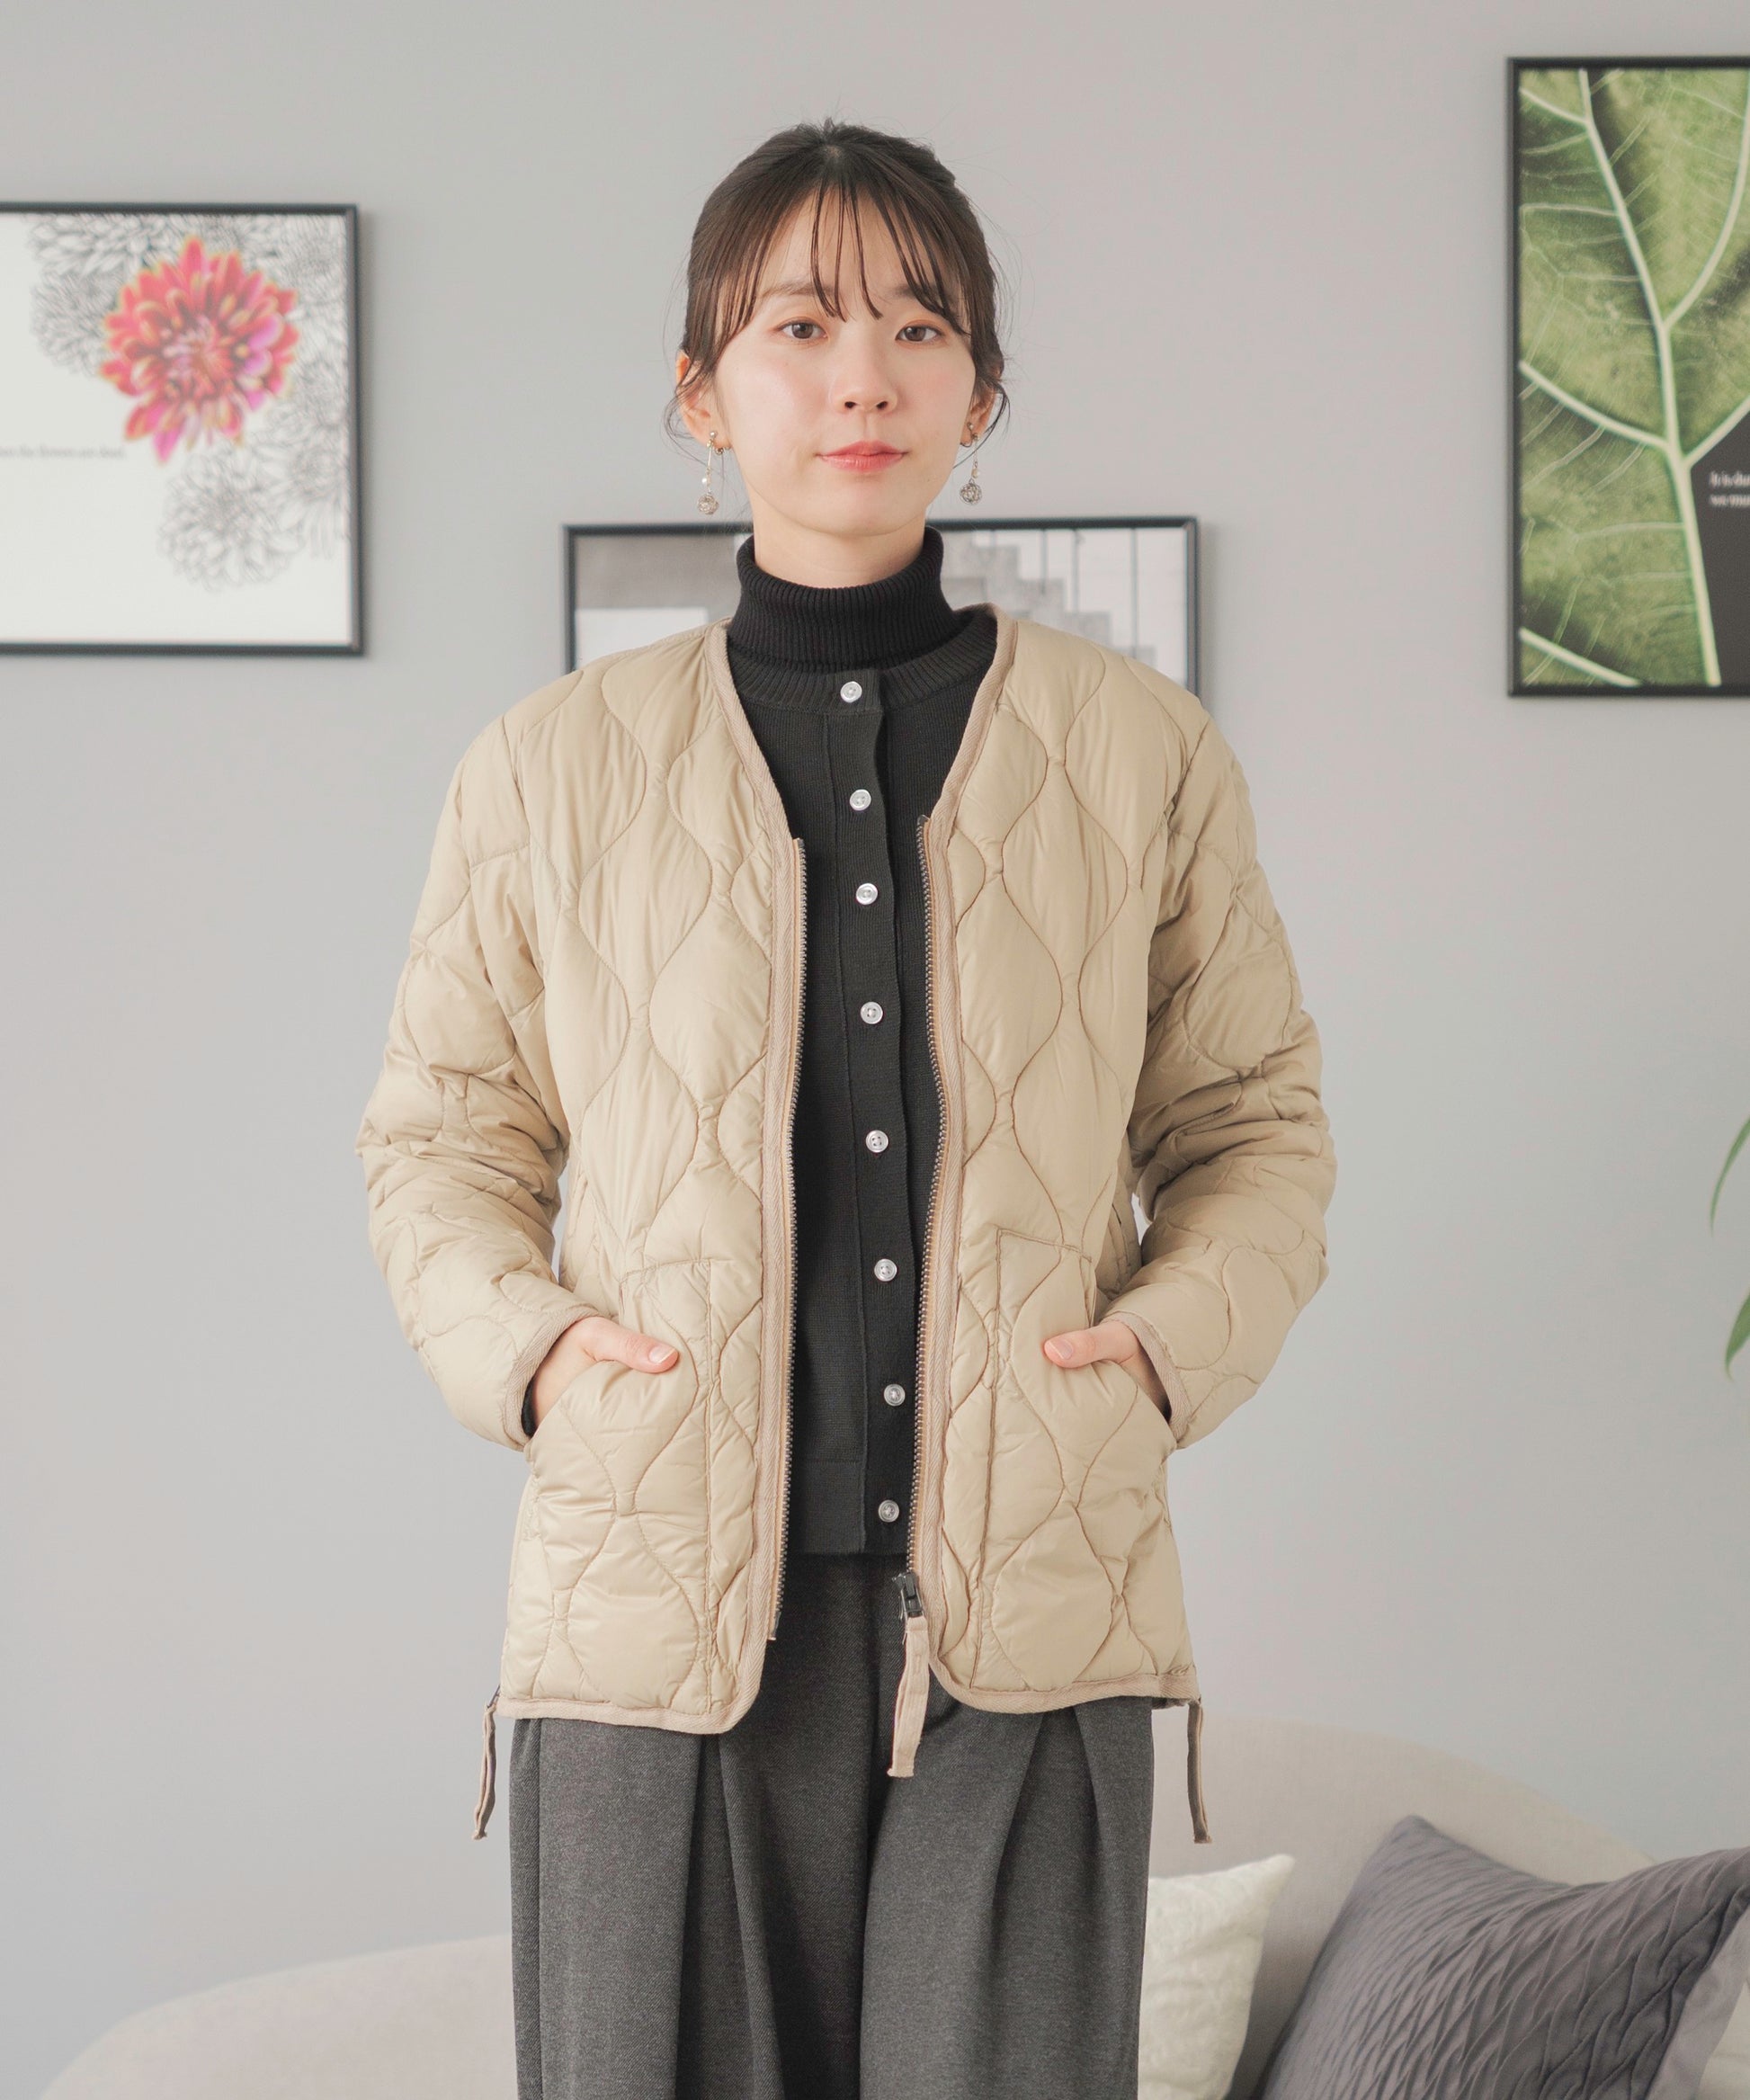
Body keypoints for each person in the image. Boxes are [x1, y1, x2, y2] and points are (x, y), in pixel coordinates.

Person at [355, 117, 1335, 2100]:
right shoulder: (548, 767)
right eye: (797, 325)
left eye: (917, 324)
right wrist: (534, 1357)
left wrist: (1158, 1355)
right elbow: (441, 1142)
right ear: (701, 392)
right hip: (653, 1615)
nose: (861, 375)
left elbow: (1252, 1125)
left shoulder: (1139, 752)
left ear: (982, 389)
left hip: (1029, 1612)